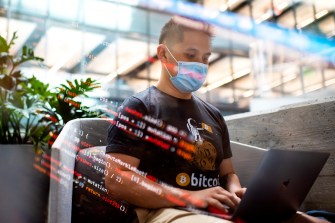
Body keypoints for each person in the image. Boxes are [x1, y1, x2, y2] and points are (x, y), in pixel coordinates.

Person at [105, 16, 330, 223]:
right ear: (163, 54)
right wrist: (188, 197)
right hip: (164, 210)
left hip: (215, 208)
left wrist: (235, 191)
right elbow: (116, 179)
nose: (200, 65)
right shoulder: (140, 107)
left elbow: (227, 173)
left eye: (205, 58)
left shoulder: (213, 115)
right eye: (191, 55)